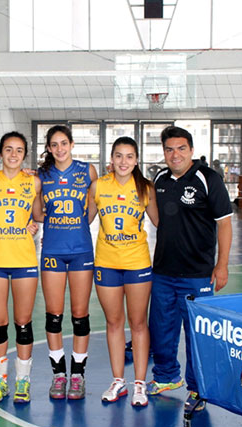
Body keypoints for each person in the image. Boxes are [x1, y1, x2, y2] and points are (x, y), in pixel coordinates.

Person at [147, 126, 233, 413]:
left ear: (191, 150)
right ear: (164, 152)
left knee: (197, 334)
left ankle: (198, 388)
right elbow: (159, 219)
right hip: (162, 272)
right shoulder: (159, 179)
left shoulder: (208, 179)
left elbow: (224, 223)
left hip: (198, 275)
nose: (175, 154)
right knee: (161, 328)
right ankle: (166, 376)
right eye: (169, 149)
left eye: (181, 148)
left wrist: (221, 265)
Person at [88, 137, 158, 407]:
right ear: (111, 158)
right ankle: (118, 381)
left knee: (138, 323)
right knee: (114, 323)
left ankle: (139, 383)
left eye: (129, 156)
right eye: (119, 155)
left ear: (137, 160)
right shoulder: (98, 186)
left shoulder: (145, 188)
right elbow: (84, 220)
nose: (124, 161)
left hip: (137, 263)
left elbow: (160, 221)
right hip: (106, 262)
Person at [0, 132, 42, 404]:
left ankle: (23, 380)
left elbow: (38, 215)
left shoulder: (33, 182)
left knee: (23, 323)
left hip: (24, 260)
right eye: (8, 149)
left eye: (19, 150)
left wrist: (34, 224)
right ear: (0, 153)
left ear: (25, 155)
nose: (14, 154)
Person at [37, 125, 97, 400]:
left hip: (81, 250)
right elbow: (38, 213)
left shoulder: (88, 171)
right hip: (52, 251)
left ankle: (78, 375)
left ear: (72, 144)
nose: (59, 149)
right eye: (54, 145)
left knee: (80, 315)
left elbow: (93, 208)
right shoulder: (42, 176)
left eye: (64, 143)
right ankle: (59, 374)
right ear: (49, 148)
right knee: (54, 315)